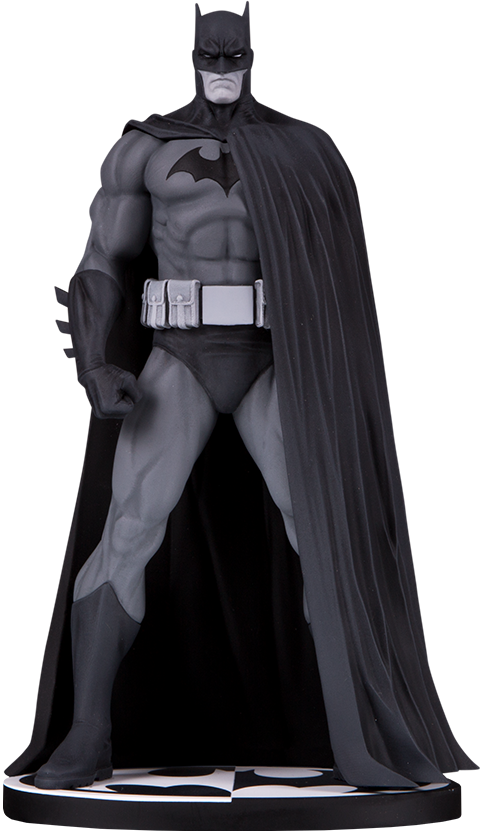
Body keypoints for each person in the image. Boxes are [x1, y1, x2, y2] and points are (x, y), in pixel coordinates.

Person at [7, 3, 473, 791]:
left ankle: (360, 725)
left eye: (234, 53)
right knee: (129, 527)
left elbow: (337, 277)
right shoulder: (143, 148)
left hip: (272, 358)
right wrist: (93, 364)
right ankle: (88, 733)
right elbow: (101, 258)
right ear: (192, 56)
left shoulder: (303, 150)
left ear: (252, 56)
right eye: (210, 53)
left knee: (322, 533)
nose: (222, 65)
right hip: (177, 356)